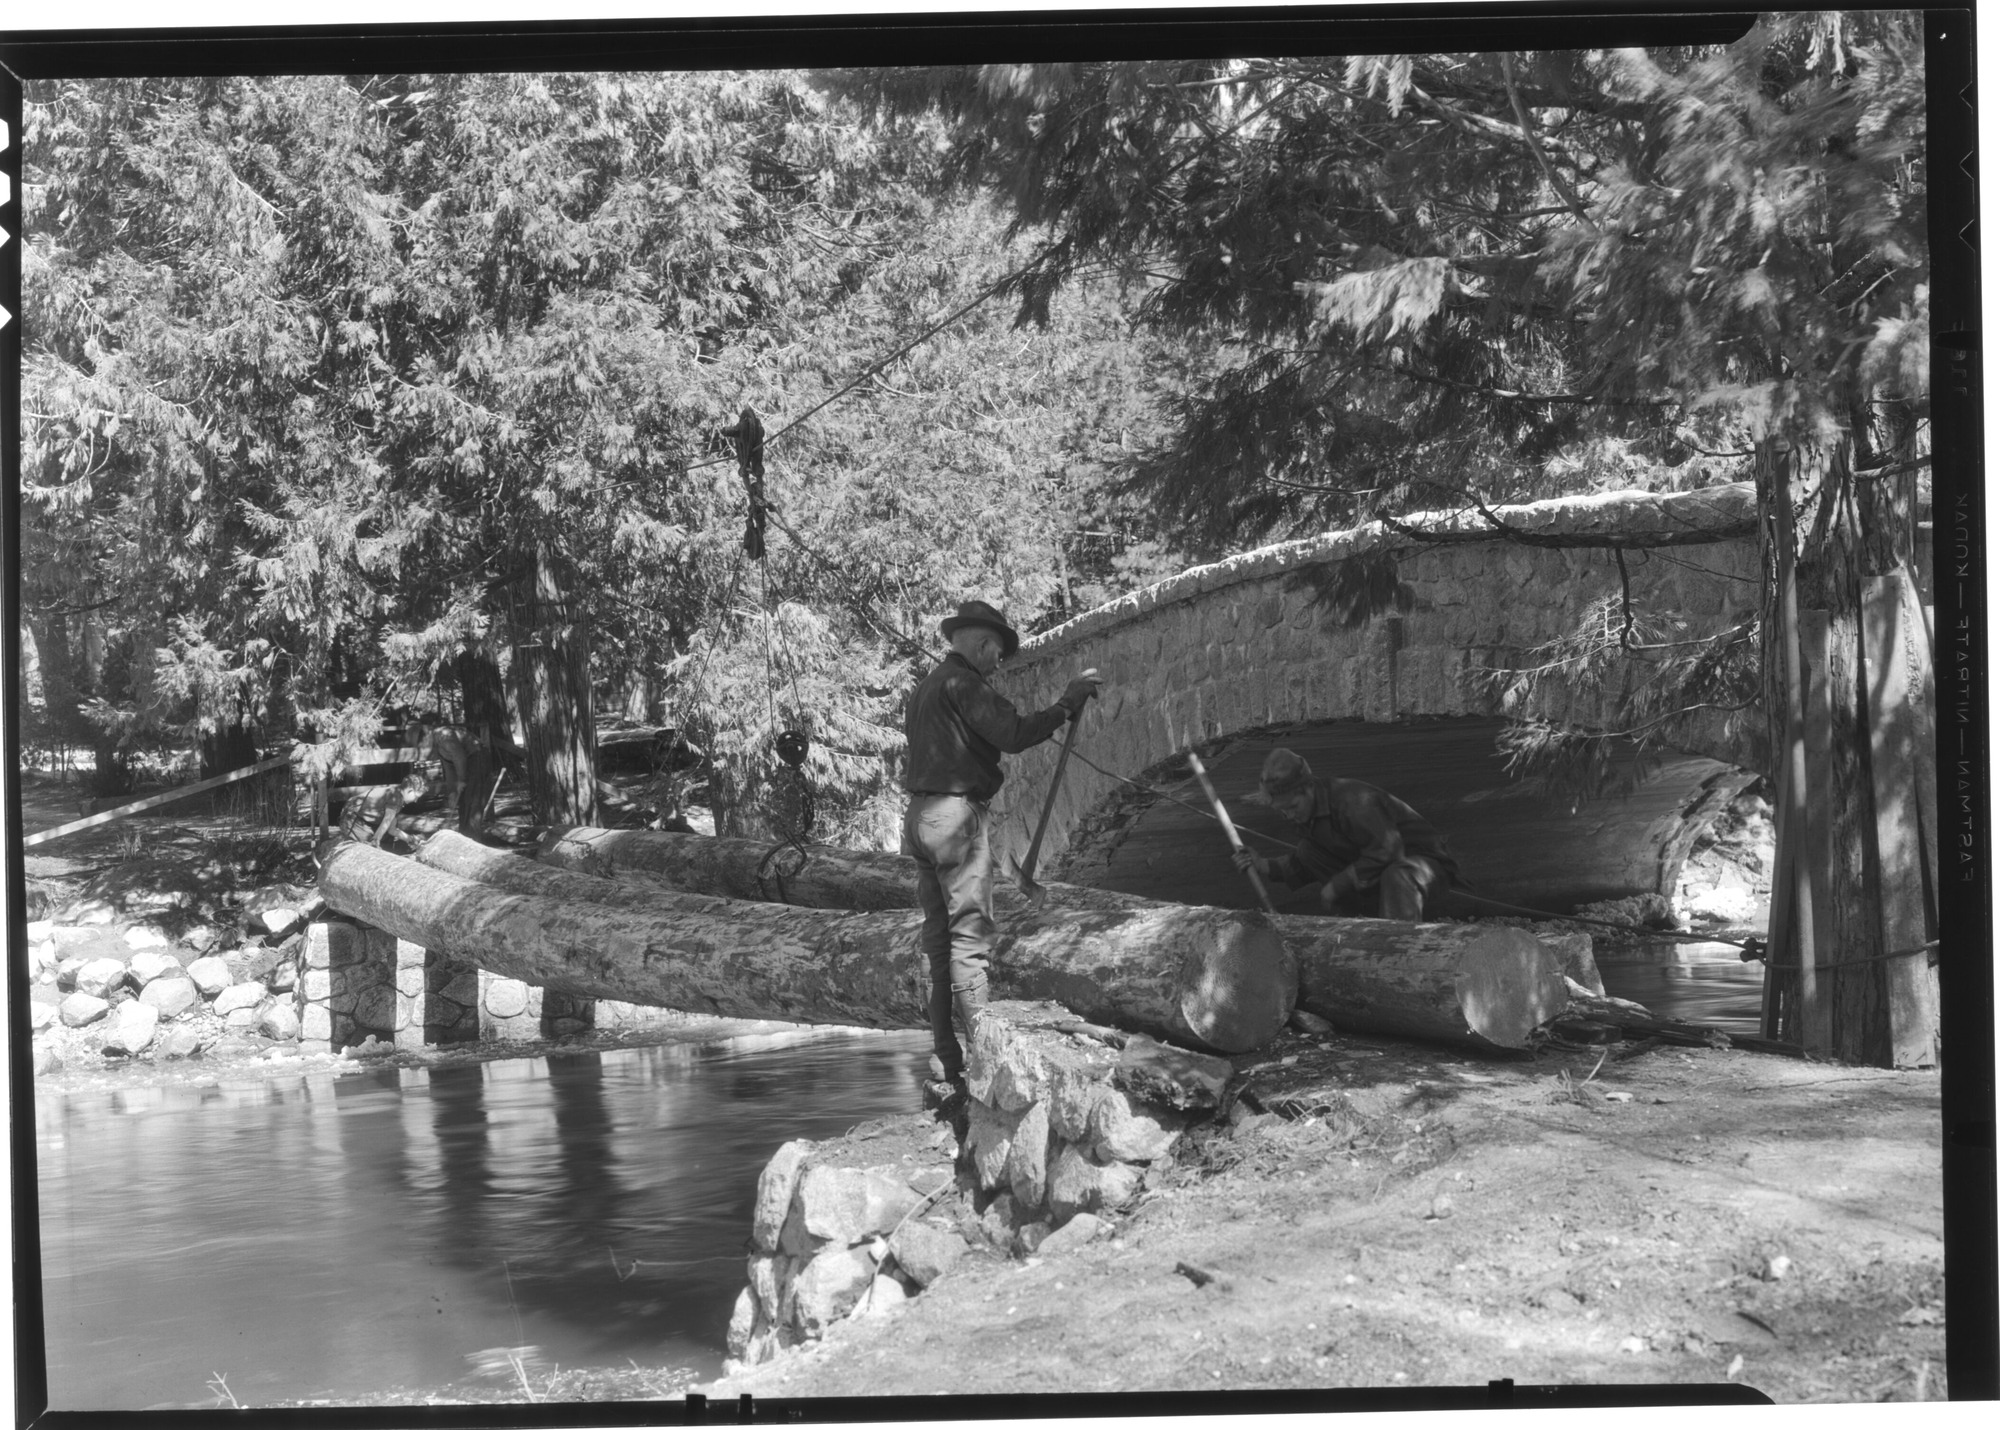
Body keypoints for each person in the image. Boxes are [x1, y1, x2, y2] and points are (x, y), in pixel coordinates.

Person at [903, 599, 1103, 1101]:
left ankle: (946, 1060)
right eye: (998, 653)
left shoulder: (925, 690)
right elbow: (1013, 734)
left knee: (938, 941)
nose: (998, 664)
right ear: (981, 643)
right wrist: (1065, 706)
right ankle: (986, 1064)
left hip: (920, 816)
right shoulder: (965, 684)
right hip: (955, 819)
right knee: (969, 939)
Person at [1232, 748, 1458, 920]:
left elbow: (1389, 850)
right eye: (1282, 811)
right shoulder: (1307, 813)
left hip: (1427, 872)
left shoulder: (1352, 802)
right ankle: (1363, 929)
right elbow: (1305, 862)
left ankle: (1399, 947)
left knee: (1397, 874)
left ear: (1308, 789)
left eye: (1292, 807)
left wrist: (1338, 884)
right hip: (1381, 878)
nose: (1289, 816)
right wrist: (1262, 865)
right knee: (1308, 850)